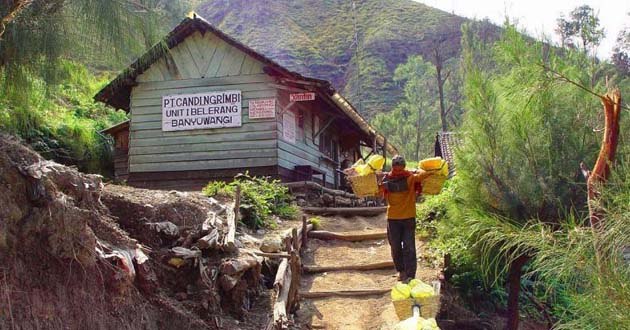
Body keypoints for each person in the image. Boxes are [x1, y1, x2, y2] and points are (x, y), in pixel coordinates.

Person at [379, 155, 431, 282]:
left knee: (408, 247)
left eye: (400, 169)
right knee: (397, 247)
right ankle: (402, 271)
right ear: (393, 168)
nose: (398, 172)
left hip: (406, 218)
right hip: (394, 218)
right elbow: (378, 191)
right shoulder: (391, 179)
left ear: (404, 168)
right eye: (396, 169)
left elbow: (424, 175)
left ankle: (410, 275)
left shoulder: (406, 178)